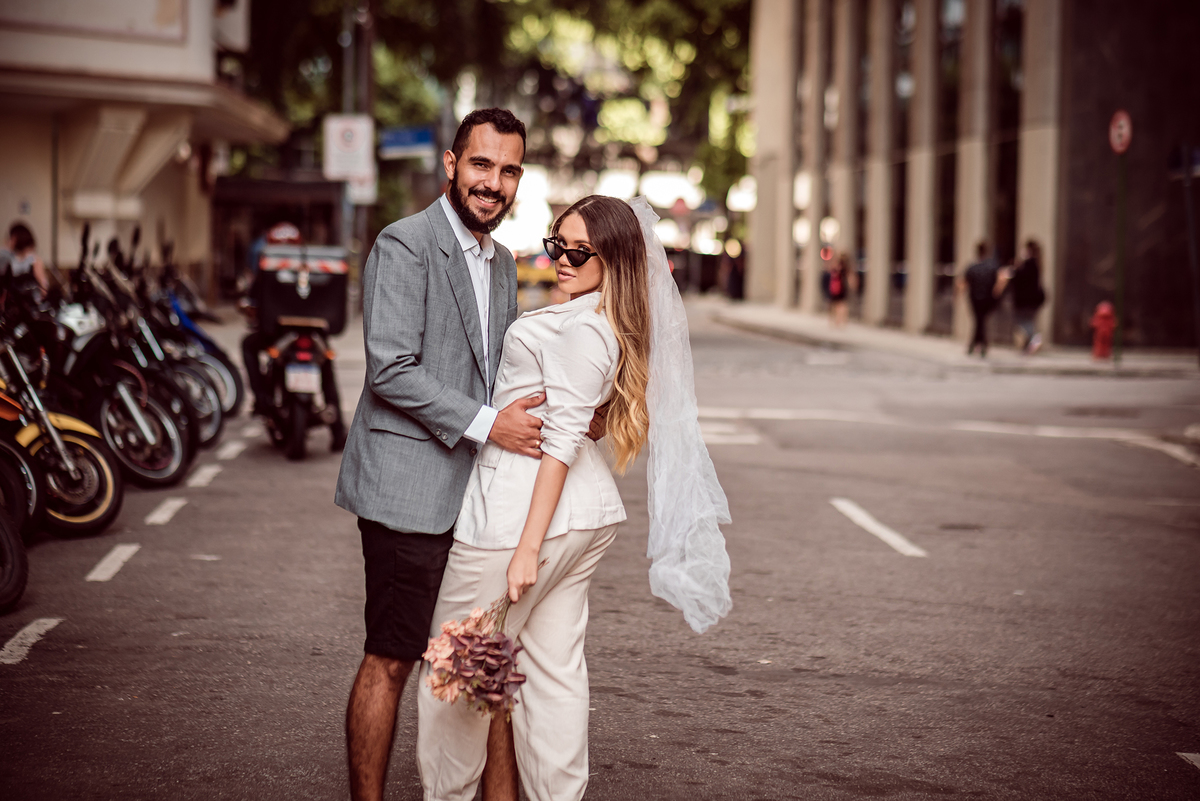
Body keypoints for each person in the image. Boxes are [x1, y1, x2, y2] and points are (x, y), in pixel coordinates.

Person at [416, 195, 733, 801]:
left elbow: (561, 441)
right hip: (579, 518)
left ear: (613, 259)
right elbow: (585, 415)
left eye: (580, 251)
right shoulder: (599, 320)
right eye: (557, 244)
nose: (562, 259)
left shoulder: (583, 327)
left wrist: (526, 549)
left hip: (517, 519)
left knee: (455, 667)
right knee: (552, 673)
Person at [334, 108, 550, 801]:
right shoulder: (405, 243)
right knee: (393, 656)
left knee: (479, 655)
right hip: (407, 491)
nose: (493, 182)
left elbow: (495, 369)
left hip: (476, 496)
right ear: (452, 165)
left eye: (508, 170)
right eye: (481, 164)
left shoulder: (503, 262)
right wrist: (491, 425)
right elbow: (391, 369)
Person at [959, 241, 1006, 357]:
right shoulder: (993, 266)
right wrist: (996, 293)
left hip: (975, 299)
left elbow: (962, 283)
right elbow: (1002, 279)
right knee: (981, 321)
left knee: (979, 320)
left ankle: (974, 345)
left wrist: (959, 294)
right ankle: (980, 345)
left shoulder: (973, 267)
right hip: (987, 298)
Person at [1010, 239, 1046, 353]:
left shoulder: (1028, 264)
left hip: (1026, 300)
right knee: (1028, 320)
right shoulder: (1036, 262)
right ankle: (1029, 343)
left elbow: (1019, 278)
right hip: (1032, 299)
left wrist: (1016, 268)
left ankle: (1035, 338)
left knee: (1023, 321)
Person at [4, 222, 50, 302]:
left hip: (30, 302)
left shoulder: (34, 260)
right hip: (13, 301)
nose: (9, 241)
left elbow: (44, 286)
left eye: (11, 238)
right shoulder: (10, 260)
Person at [827, 252, 854, 327]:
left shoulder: (837, 266)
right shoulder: (846, 267)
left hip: (837, 288)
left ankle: (837, 321)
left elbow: (831, 274)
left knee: (836, 305)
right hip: (841, 287)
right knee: (842, 305)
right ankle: (841, 320)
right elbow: (850, 278)